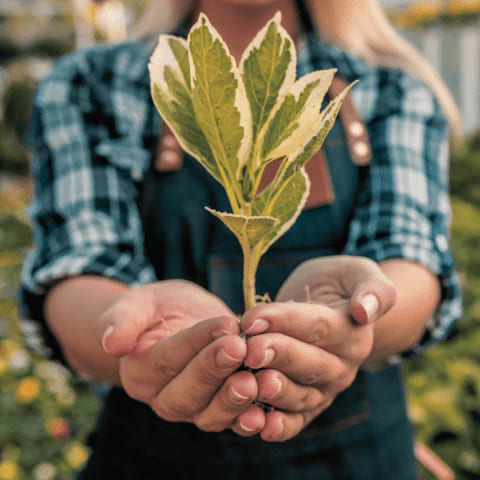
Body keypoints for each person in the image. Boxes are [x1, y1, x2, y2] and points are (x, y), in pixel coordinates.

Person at [20, 0, 462, 478]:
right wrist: (136, 336)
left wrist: (353, 322)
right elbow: (78, 264)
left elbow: (410, 259)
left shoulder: (391, 87)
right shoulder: (93, 84)